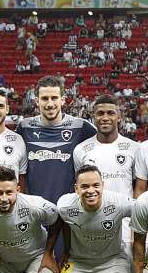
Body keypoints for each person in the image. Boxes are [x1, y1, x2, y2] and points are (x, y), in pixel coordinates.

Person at [55, 166, 133, 273]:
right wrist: (66, 250)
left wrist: (136, 243)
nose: (91, 191)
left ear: (103, 185)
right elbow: (64, 223)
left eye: (96, 185)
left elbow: (143, 214)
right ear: (76, 188)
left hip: (113, 259)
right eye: (84, 186)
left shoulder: (119, 202)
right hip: (79, 261)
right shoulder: (65, 205)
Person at [16, 76, 96, 206]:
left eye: (54, 98)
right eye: (44, 99)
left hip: (68, 209)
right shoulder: (24, 127)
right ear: (37, 101)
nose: (49, 104)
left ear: (63, 100)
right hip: (34, 209)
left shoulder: (81, 127)